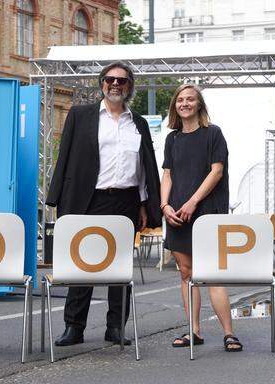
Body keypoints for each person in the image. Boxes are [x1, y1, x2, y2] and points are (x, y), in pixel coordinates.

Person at [46, 62, 162, 346]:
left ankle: (115, 328)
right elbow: (65, 158)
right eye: (110, 79)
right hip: (89, 198)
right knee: (82, 264)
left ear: (129, 87)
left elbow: (146, 166)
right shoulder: (80, 115)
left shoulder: (138, 123)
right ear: (102, 84)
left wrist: (146, 204)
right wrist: (55, 198)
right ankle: (74, 327)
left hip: (126, 201)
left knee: (120, 267)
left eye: (122, 81)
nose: (116, 84)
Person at [160, 84, 241, 352]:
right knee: (186, 273)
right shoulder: (172, 139)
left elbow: (216, 172)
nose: (184, 103)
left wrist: (193, 202)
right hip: (177, 214)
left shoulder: (213, 134)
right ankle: (194, 331)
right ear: (175, 106)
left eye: (190, 99)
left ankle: (229, 333)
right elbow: (168, 175)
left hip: (206, 212)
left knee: (212, 275)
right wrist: (164, 205)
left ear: (199, 104)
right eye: (180, 100)